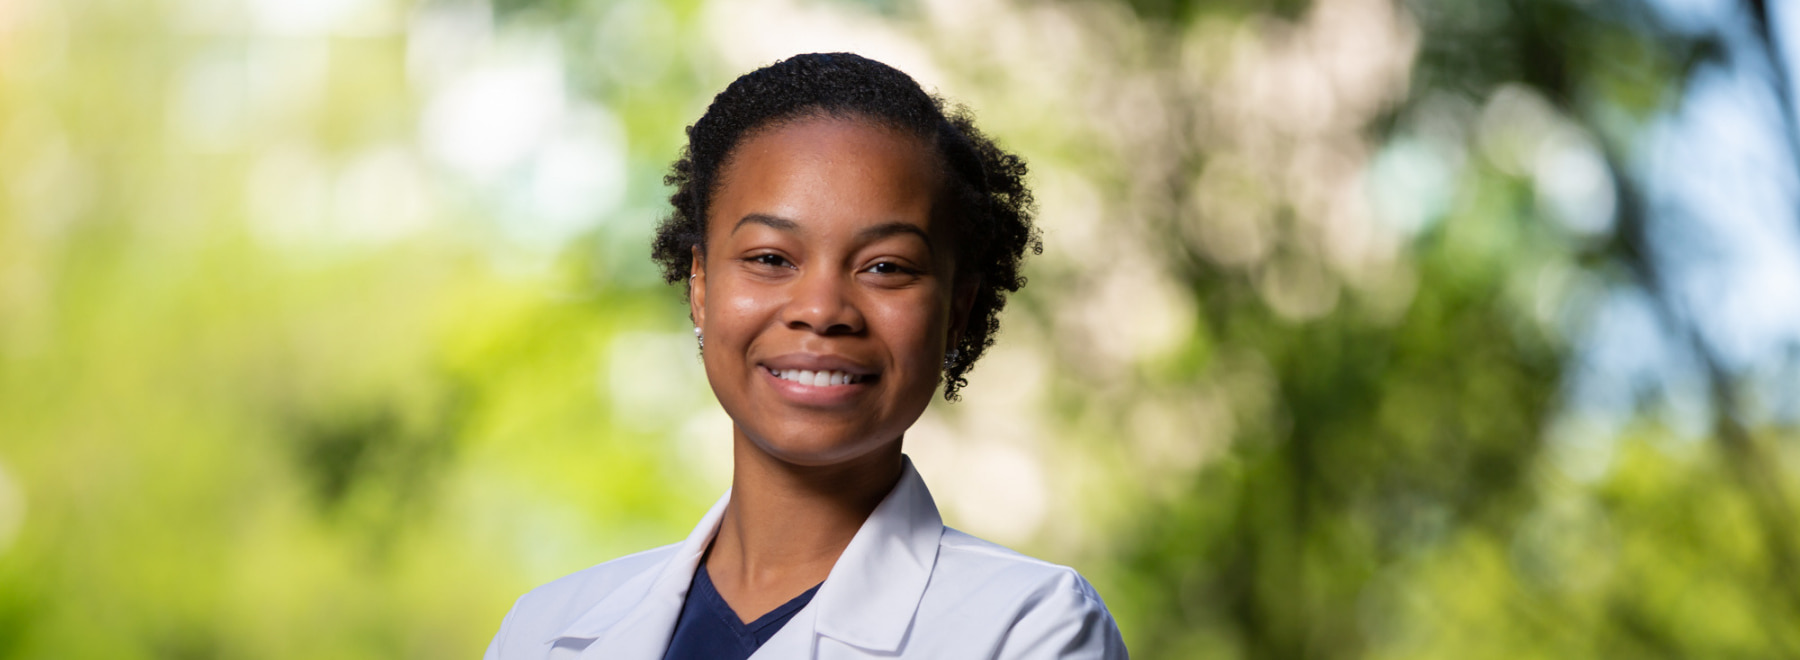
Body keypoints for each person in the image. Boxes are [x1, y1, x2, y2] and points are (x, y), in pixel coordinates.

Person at [484, 52, 1127, 660]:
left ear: (956, 311)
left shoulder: (1032, 627)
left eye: (886, 266)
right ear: (700, 286)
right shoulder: (543, 631)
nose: (822, 310)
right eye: (770, 259)